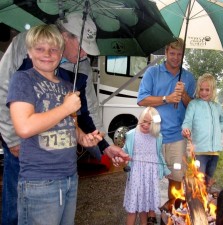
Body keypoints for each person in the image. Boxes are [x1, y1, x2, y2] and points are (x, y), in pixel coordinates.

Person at [0, 12, 128, 225]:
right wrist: (12, 139)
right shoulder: (25, 46)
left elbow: (86, 111)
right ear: (64, 36)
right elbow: (2, 90)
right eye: (81, 45)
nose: (85, 53)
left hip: (64, 172)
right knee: (16, 209)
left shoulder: (81, 65)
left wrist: (103, 144)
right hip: (26, 151)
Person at [137, 38, 196, 204]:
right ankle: (149, 216)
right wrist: (167, 98)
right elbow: (141, 100)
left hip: (177, 139)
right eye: (172, 53)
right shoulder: (152, 73)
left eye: (179, 54)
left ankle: (173, 213)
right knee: (149, 181)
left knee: (176, 180)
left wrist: (183, 94)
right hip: (152, 136)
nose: (176, 57)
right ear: (166, 53)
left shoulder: (188, 78)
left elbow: (193, 107)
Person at [122, 107, 171, 225]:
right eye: (144, 121)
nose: (145, 125)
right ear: (140, 119)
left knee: (144, 207)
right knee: (132, 209)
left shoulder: (157, 137)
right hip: (136, 177)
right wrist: (122, 158)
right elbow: (124, 151)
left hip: (150, 178)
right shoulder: (131, 135)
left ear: (155, 124)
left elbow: (158, 154)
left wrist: (165, 169)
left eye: (150, 123)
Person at [182, 73, 223, 191]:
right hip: (199, 151)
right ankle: (196, 205)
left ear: (213, 90)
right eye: (201, 89)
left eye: (207, 90)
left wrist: (219, 128)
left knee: (208, 180)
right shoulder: (193, 105)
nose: (204, 92)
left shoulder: (217, 106)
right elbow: (187, 121)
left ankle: (205, 202)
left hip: (214, 152)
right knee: (199, 180)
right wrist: (186, 129)